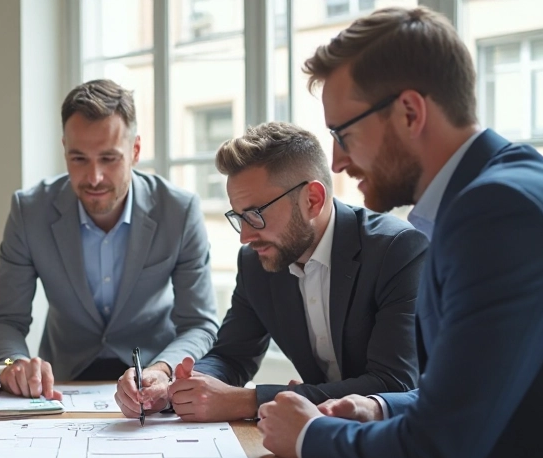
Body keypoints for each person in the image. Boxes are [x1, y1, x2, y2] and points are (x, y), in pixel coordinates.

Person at [256, 8, 543, 458]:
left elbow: (438, 452)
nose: (339, 162)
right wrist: (378, 407)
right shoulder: (493, 191)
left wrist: (311, 435)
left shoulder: (498, 213)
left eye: (344, 134)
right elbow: (475, 392)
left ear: (409, 111)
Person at [115, 122, 426, 422]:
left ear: (312, 200)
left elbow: (393, 385)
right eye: (239, 217)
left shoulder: (396, 250)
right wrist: (174, 388)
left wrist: (247, 400)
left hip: (405, 448)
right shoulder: (256, 262)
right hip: (313, 441)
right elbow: (231, 356)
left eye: (255, 215)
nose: (245, 236)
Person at [0, 79, 218, 398]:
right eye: (79, 159)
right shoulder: (29, 211)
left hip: (153, 378)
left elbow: (199, 324)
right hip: (63, 384)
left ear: (135, 151)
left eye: (109, 159)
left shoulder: (179, 211)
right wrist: (14, 363)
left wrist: (163, 371)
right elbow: (4, 321)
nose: (94, 178)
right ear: (64, 149)